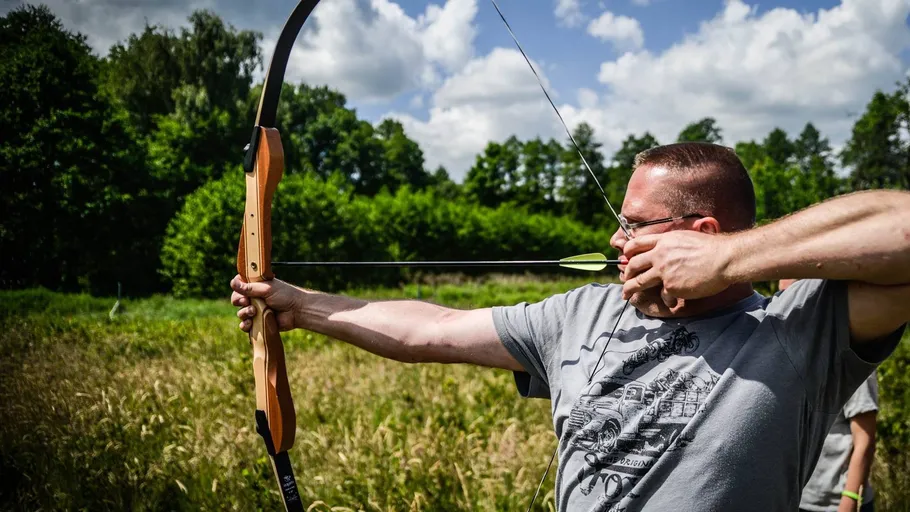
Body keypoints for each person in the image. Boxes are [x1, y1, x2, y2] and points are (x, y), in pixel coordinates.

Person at [231, 142, 909, 511]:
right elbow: (428, 330)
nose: (617, 240)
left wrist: (731, 258)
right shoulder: (580, 314)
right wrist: (298, 304)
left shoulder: (797, 329)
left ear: (700, 233)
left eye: (636, 225)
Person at [781, 277, 879, 512]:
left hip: (836, 503)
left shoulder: (850, 359)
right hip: (799, 500)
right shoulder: (786, 360)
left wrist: (848, 500)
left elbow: (865, 440)